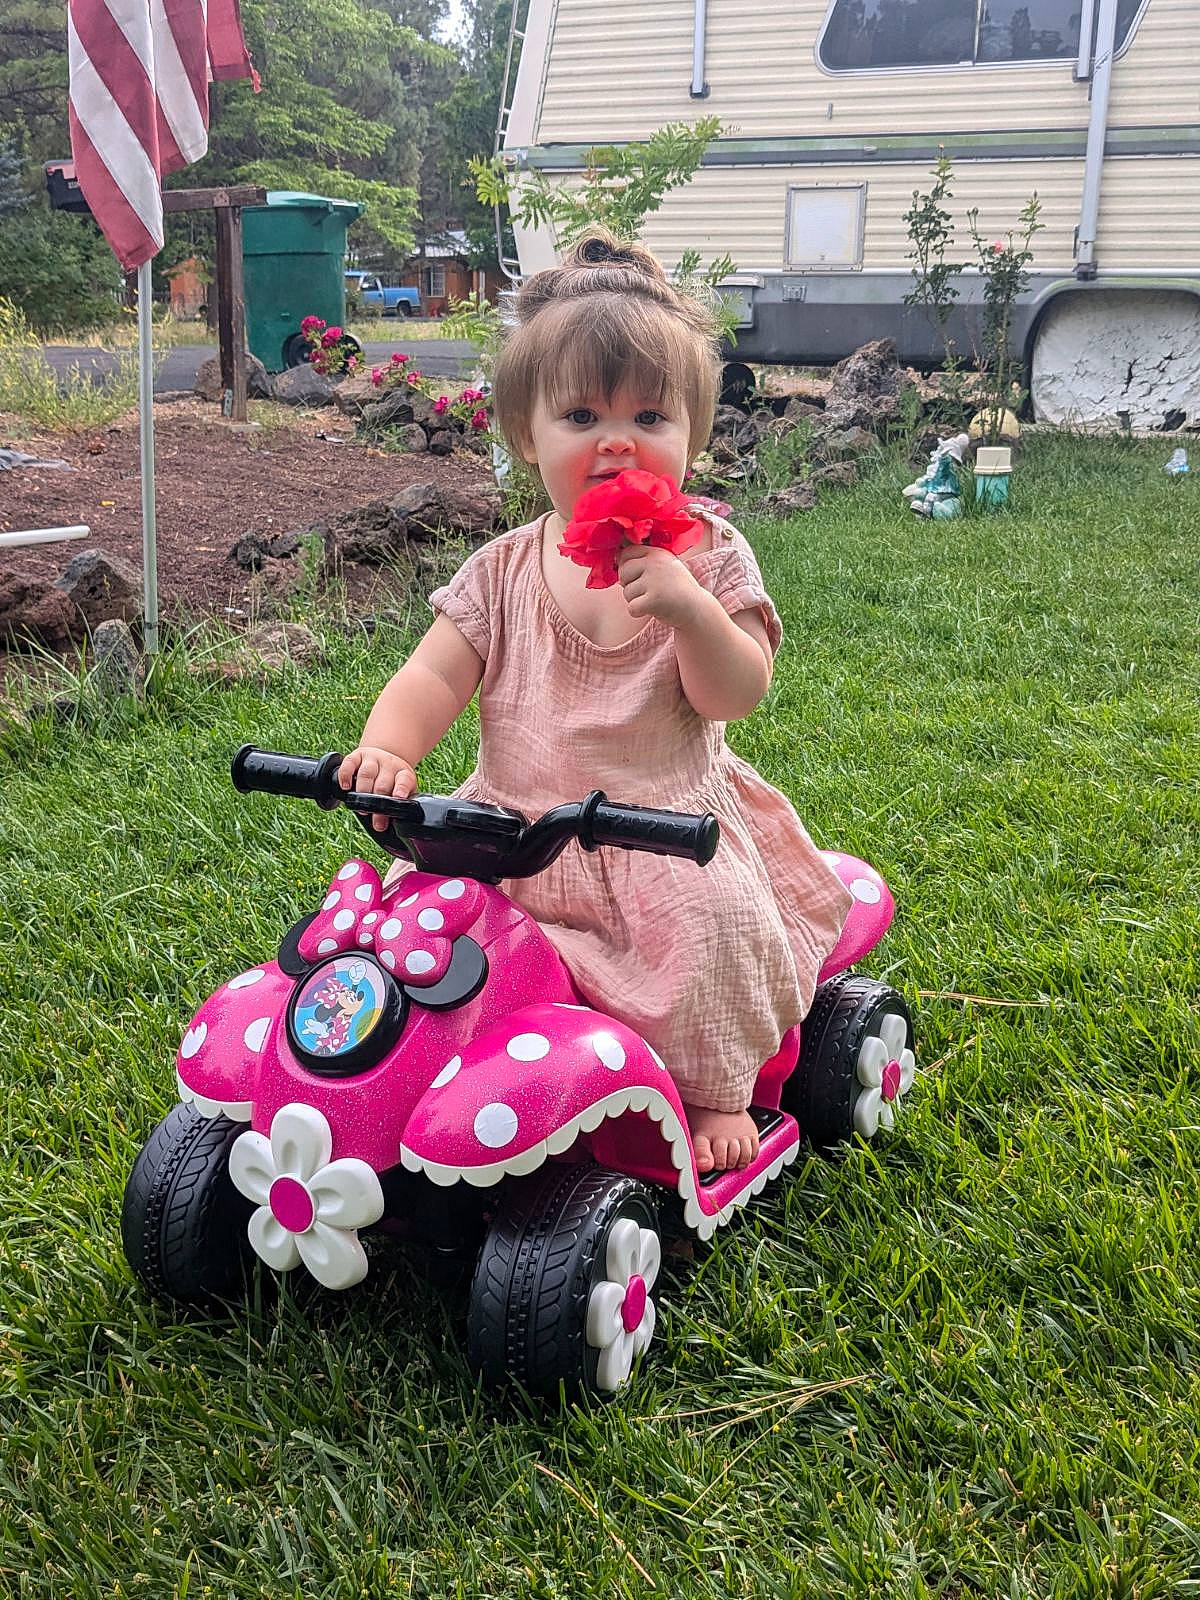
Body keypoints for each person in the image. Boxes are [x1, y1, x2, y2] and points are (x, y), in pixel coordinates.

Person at [338, 230, 852, 1173]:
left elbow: (735, 691)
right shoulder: (501, 570)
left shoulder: (710, 559)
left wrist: (695, 613)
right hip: (513, 833)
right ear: (526, 437)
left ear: (691, 439)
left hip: (658, 838)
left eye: (650, 414)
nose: (617, 438)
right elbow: (434, 673)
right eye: (580, 414)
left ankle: (712, 1089)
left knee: (708, 943)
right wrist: (390, 748)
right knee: (422, 949)